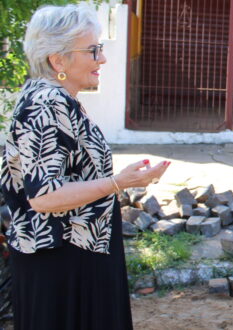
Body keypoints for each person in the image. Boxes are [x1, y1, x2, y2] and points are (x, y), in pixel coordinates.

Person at [0, 4, 170, 330]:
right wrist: (118, 182)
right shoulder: (46, 104)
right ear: (58, 60)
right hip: (59, 262)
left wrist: (125, 178)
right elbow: (44, 196)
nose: (102, 59)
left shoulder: (60, 99)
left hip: (74, 254)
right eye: (93, 51)